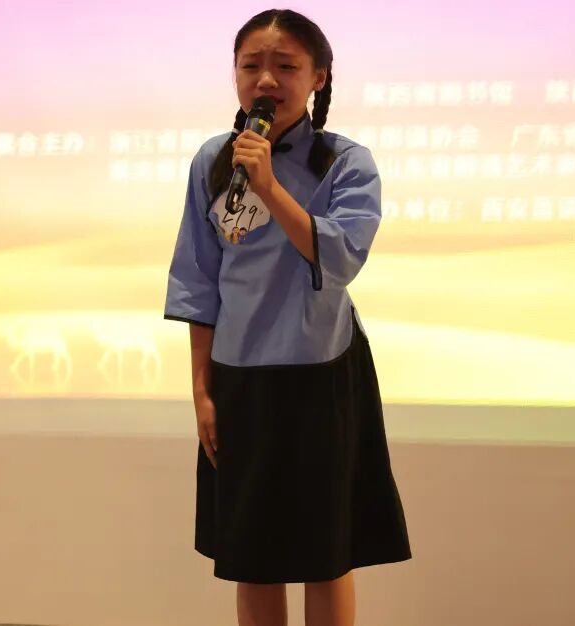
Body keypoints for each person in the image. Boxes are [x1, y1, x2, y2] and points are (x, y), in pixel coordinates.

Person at [164, 9, 411, 626]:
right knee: (252, 554)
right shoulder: (212, 162)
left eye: (285, 66)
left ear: (318, 77)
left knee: (327, 553)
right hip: (239, 377)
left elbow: (340, 256)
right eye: (251, 66)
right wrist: (201, 391)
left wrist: (270, 185)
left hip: (320, 374)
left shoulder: (345, 162)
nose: (266, 79)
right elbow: (198, 281)